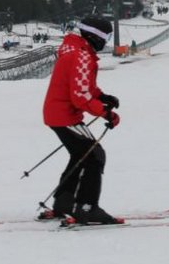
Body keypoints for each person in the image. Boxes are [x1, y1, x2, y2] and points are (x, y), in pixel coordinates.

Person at [40, 16, 120, 225]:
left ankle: (64, 203)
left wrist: (102, 97)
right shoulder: (81, 55)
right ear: (94, 36)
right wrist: (105, 113)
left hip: (58, 113)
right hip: (65, 115)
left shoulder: (74, 49)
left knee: (81, 155)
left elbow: (83, 85)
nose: (106, 41)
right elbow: (81, 96)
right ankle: (87, 207)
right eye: (106, 37)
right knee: (94, 155)